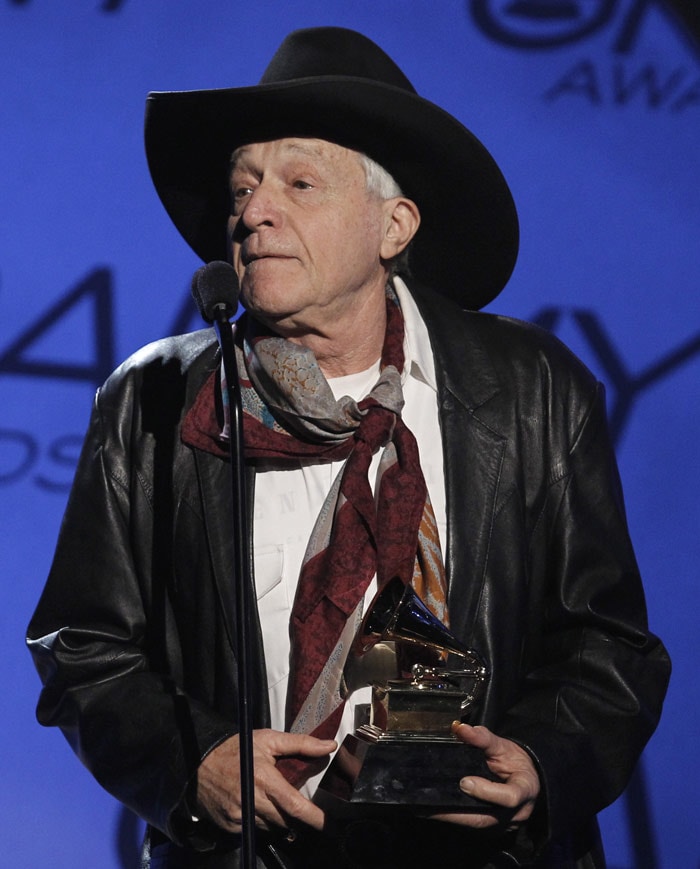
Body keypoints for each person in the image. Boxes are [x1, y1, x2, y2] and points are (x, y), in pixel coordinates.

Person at [27, 26, 670, 869]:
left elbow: (610, 645)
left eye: (298, 182)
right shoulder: (154, 400)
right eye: (243, 186)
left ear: (392, 225)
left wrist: (545, 761)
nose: (253, 211)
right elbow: (84, 648)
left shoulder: (533, 390)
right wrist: (197, 760)